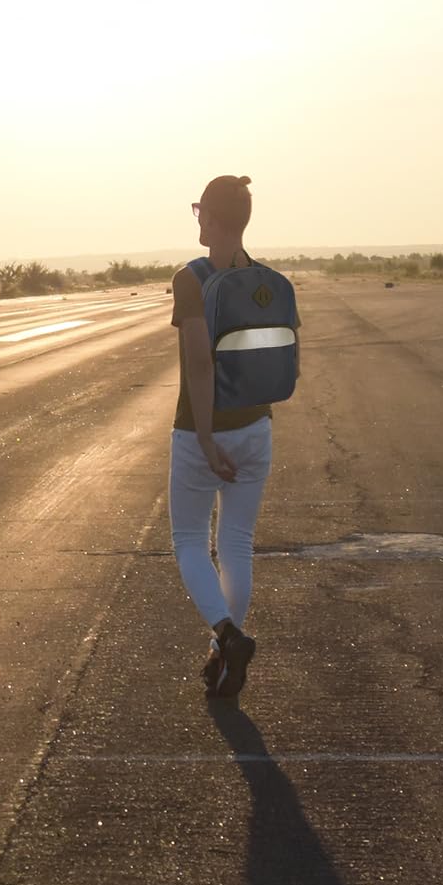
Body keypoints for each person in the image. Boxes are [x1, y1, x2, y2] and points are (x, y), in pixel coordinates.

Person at [169, 174, 296, 703]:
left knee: (191, 542)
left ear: (213, 220)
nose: (197, 218)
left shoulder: (192, 278)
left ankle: (227, 636)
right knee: (237, 542)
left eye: (199, 211)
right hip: (258, 425)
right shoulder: (266, 280)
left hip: (204, 430)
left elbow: (200, 362)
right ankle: (225, 658)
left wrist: (202, 436)